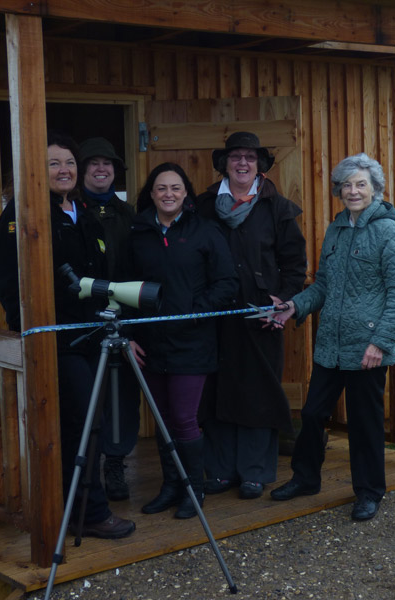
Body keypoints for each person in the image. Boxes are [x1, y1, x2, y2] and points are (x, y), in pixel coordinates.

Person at [0, 131, 135, 539]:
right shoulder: (24, 212)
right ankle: (89, 513)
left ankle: (76, 508)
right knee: (79, 424)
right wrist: (28, 328)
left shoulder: (84, 210)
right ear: (36, 171)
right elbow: (7, 279)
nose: (64, 170)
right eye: (54, 163)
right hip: (53, 338)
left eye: (69, 163)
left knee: (89, 421)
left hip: (91, 334)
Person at [269, 153, 395, 521]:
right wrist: (294, 307)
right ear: (338, 190)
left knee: (365, 423)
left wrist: (379, 342)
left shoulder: (388, 231)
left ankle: (368, 492)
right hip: (330, 347)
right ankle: (305, 478)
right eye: (347, 184)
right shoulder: (335, 230)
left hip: (367, 348)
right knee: (314, 413)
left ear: (375, 189)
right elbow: (324, 286)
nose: (353, 191)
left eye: (361, 184)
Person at [196, 131, 307, 500]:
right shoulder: (204, 205)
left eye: (249, 157)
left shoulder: (278, 207)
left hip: (261, 316)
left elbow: (295, 264)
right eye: (235, 157)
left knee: (259, 391)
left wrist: (283, 301)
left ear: (259, 164)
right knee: (217, 391)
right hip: (215, 315)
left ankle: (255, 471)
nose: (242, 163)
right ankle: (222, 469)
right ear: (224, 164)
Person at [128, 162, 237, 519]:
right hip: (150, 343)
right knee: (161, 419)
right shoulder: (137, 232)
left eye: (175, 188)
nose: (169, 194)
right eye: (162, 188)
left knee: (184, 419)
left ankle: (194, 489)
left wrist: (194, 312)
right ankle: (170, 486)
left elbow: (227, 284)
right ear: (152, 194)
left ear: (186, 192)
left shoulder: (205, 231)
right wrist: (130, 335)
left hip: (192, 343)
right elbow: (123, 287)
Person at [79, 137, 140, 503]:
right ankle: (86, 474)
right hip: (83, 320)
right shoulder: (70, 212)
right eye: (94, 163)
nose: (101, 170)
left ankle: (115, 466)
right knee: (86, 398)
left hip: (126, 318)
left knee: (121, 398)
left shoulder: (129, 215)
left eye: (108, 164)